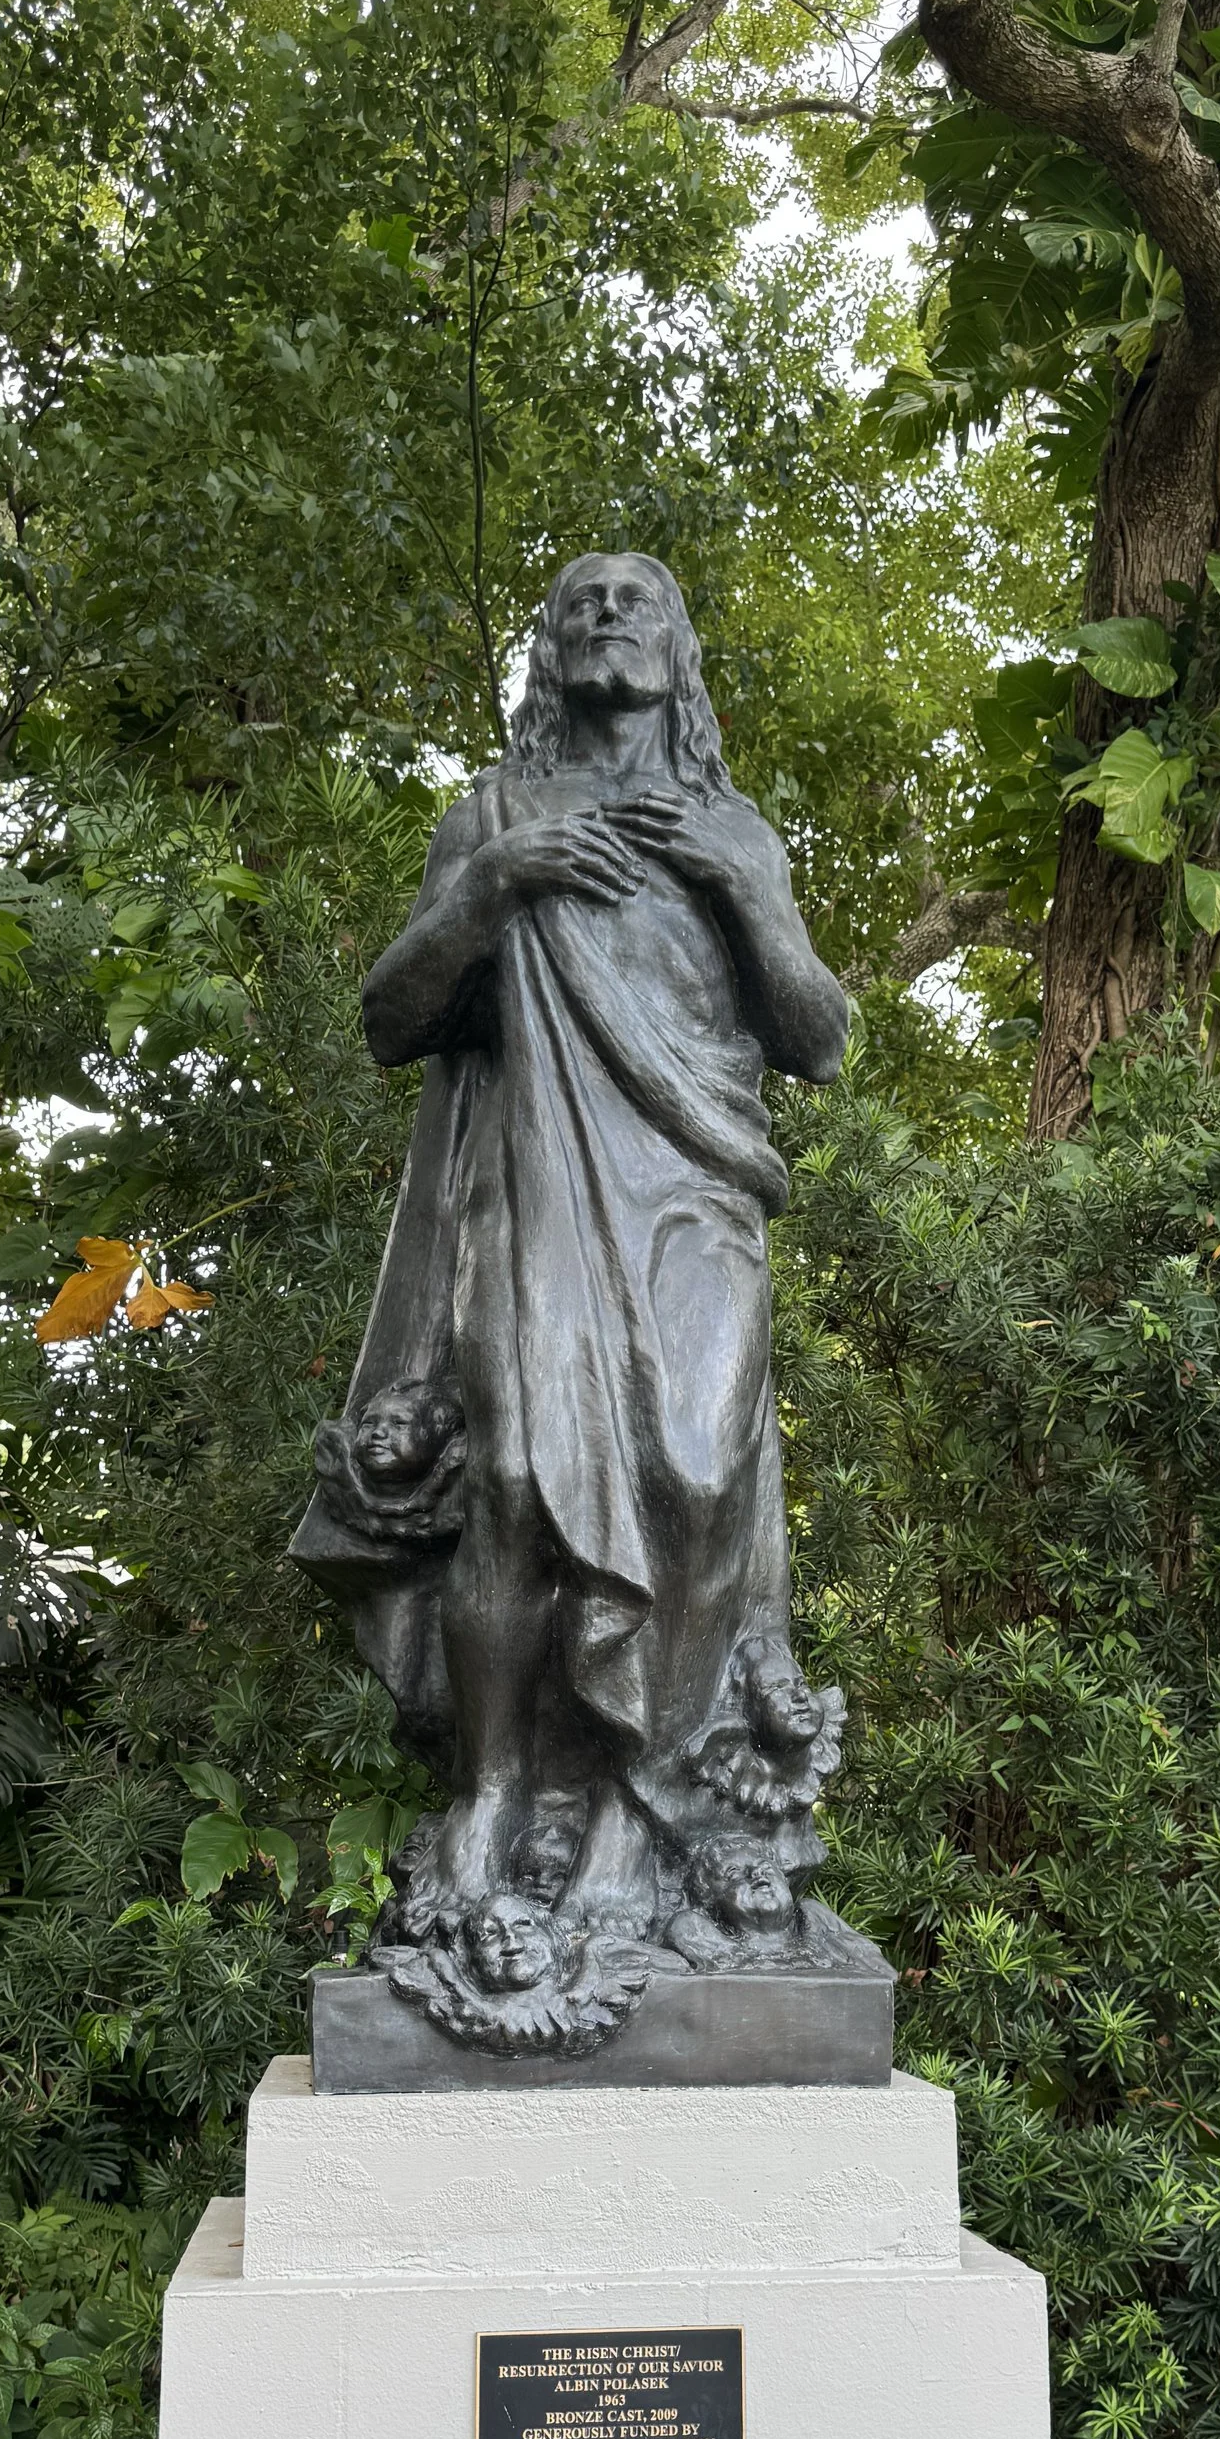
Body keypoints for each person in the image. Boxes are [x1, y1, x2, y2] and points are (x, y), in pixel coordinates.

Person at [292, 552, 848, 1956]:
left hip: (698, 1197)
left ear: (680, 655)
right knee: (523, 1488)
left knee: (699, 1479)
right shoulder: (488, 816)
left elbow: (823, 1039)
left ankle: (635, 1813)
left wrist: (747, 893)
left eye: (638, 598)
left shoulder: (737, 829)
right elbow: (390, 1018)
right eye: (580, 600)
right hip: (534, 1187)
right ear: (548, 651)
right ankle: (486, 1798)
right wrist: (492, 885)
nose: (608, 611)